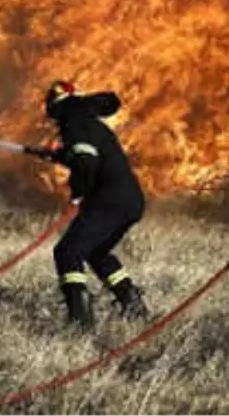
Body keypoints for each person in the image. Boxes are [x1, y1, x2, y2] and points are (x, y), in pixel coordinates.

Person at [25, 80, 150, 330]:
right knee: (97, 253)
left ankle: (80, 323)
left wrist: (78, 194)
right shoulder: (87, 120)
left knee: (67, 252)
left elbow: (86, 162)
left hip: (109, 200)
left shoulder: (74, 121)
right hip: (130, 201)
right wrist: (54, 155)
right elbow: (84, 154)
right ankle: (134, 306)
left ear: (57, 105)